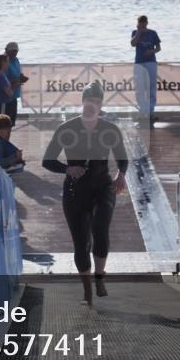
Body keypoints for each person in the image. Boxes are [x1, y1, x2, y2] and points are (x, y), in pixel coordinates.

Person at [42, 82, 128, 304]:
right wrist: (68, 168)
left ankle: (99, 276)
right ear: (83, 102)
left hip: (102, 187)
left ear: (101, 105)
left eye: (97, 102)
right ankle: (87, 290)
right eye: (89, 101)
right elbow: (47, 160)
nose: (93, 106)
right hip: (75, 191)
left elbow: (122, 158)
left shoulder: (110, 130)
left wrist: (121, 175)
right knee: (81, 244)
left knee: (100, 229)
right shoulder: (66, 129)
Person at [130, 15, 161, 119]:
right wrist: (139, 32)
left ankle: (150, 111)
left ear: (147, 23)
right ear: (138, 23)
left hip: (151, 62)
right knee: (139, 88)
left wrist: (151, 51)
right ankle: (142, 111)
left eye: (144, 22)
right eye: (140, 22)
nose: (143, 24)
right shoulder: (135, 32)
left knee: (151, 87)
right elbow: (133, 44)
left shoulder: (153, 33)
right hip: (139, 62)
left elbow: (158, 48)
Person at [3, 41, 29, 126]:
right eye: (13, 51)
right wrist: (16, 81)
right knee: (5, 122)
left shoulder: (16, 60)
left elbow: (18, 73)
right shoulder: (4, 62)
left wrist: (22, 77)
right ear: (7, 51)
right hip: (5, 96)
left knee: (11, 121)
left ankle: (7, 137)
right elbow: (3, 80)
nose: (15, 53)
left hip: (14, 95)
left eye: (16, 51)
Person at [0, 52, 14, 120]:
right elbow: (9, 93)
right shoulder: (0, 77)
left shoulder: (2, 75)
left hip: (4, 105)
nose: (9, 64)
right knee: (3, 125)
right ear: (2, 63)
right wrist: (14, 86)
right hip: (2, 106)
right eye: (7, 62)